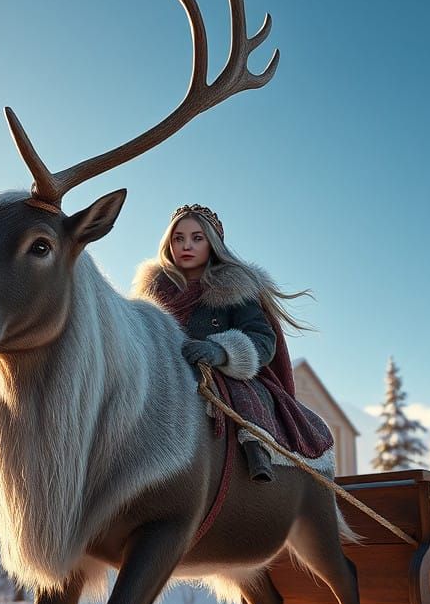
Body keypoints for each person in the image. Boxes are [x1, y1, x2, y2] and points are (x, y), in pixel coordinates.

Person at [132, 204, 336, 483]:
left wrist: (222, 351)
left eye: (197, 238)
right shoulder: (151, 296)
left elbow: (264, 340)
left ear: (212, 244)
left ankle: (255, 449)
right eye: (178, 238)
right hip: (163, 373)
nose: (186, 245)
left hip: (221, 373)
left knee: (241, 392)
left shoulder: (235, 288)